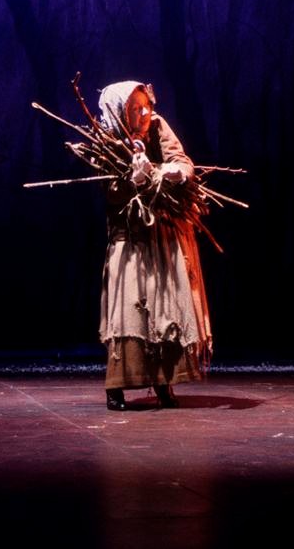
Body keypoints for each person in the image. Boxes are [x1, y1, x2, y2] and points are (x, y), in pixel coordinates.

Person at [97, 81, 212, 410]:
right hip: (130, 240)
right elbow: (113, 192)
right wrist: (132, 181)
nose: (145, 112)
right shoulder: (107, 141)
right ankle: (117, 386)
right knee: (131, 311)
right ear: (120, 113)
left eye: (146, 105)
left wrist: (176, 172)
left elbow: (181, 159)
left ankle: (164, 382)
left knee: (165, 308)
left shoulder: (158, 126)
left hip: (162, 236)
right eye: (136, 108)